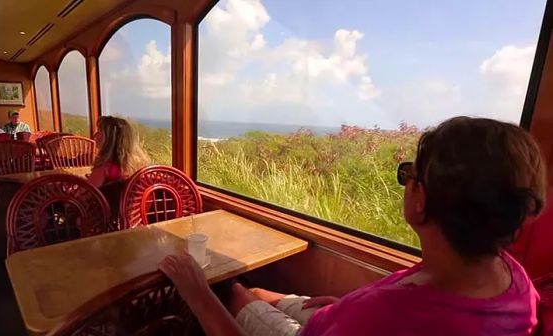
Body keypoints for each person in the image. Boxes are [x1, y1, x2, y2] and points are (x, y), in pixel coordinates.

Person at [159, 117, 546, 336]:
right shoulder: (516, 282)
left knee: (236, 295)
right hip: (344, 318)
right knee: (259, 290)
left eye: (409, 173)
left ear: (421, 199)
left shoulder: (386, 318)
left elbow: (388, 316)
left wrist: (197, 291)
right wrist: (346, 309)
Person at [87, 116, 149, 188]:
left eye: (99, 132)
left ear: (109, 139)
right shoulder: (140, 165)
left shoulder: (105, 168)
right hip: (136, 199)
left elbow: (83, 194)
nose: (94, 135)